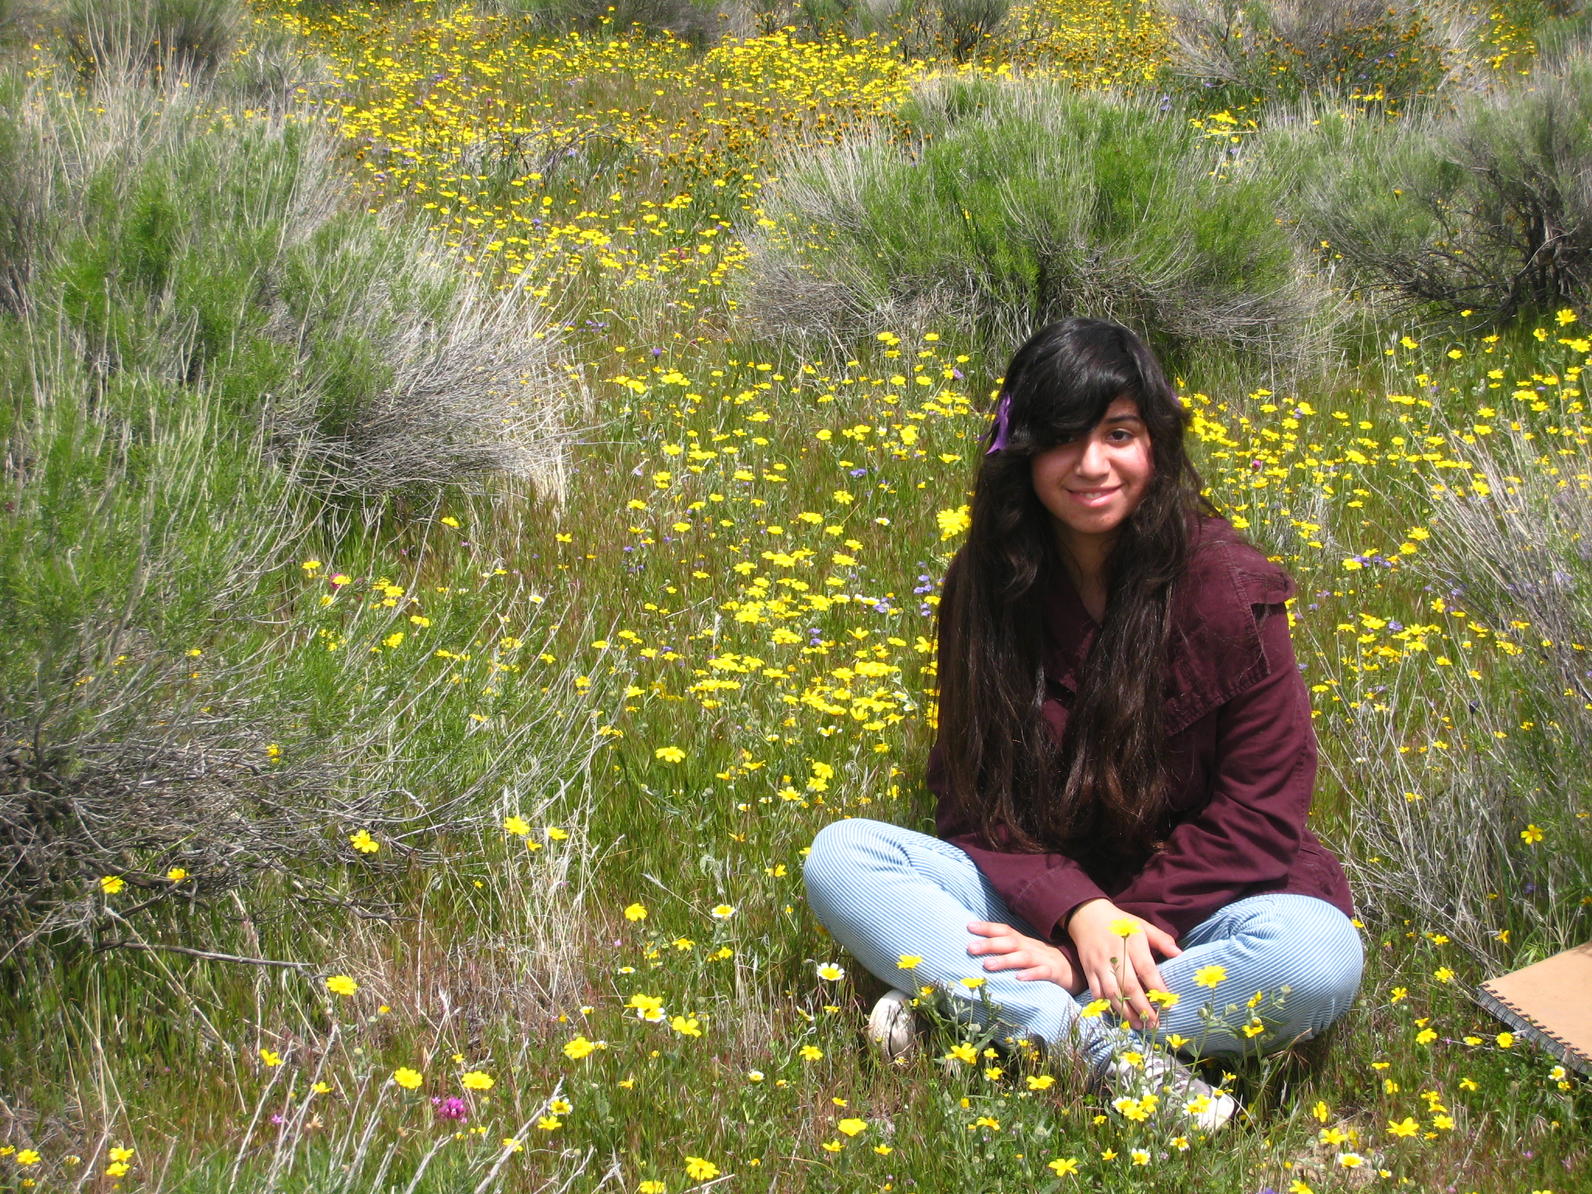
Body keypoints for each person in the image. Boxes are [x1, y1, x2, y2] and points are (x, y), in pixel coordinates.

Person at [802, 317, 1362, 1132]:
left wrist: (1090, 947)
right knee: (843, 856)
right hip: (1037, 893)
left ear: (1157, 444)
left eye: (1120, 433)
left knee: (1319, 957)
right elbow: (968, 797)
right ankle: (1101, 1055)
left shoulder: (1229, 590)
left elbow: (1262, 812)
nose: (1093, 464)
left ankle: (984, 1019)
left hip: (1201, 908)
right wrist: (1074, 913)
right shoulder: (986, 588)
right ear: (1022, 450)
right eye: (1064, 438)